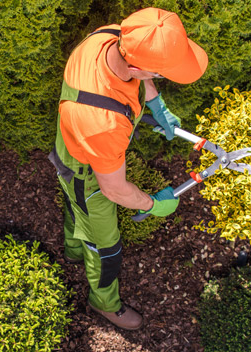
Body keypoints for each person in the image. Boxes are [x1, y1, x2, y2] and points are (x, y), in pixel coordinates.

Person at [48, 7, 208, 330]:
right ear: (137, 66)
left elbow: (139, 73)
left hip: (70, 145)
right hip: (87, 176)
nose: (158, 79)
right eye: (160, 74)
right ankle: (104, 303)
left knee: (73, 208)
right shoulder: (104, 124)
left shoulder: (110, 37)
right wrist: (154, 203)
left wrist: (157, 105)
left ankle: (72, 249)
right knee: (106, 247)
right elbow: (114, 190)